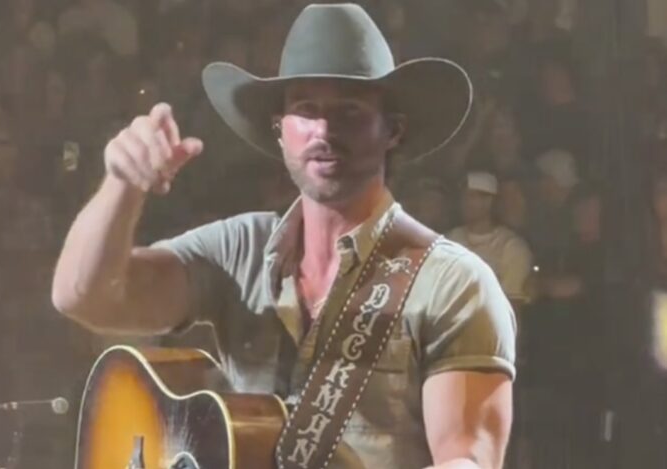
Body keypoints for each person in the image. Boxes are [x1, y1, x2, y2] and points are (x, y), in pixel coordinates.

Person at [52, 4, 516, 469]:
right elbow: (85, 297)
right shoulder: (239, 250)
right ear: (279, 129)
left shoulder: (454, 285)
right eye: (305, 109)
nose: (324, 130)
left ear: (392, 129)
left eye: (349, 111)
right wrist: (122, 184)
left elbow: (469, 456)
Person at [447, 171, 533, 305]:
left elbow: (513, 304)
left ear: (488, 202)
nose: (465, 203)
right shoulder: (450, 240)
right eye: (463, 197)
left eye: (471, 197)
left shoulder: (512, 247)